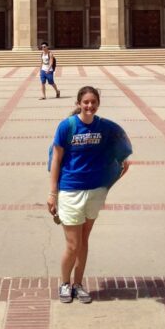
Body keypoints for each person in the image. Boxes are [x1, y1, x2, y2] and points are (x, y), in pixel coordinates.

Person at [47, 85, 132, 304]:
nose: (89, 106)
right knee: (73, 245)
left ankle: (78, 284)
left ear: (97, 104)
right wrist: (52, 193)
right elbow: (56, 159)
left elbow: (115, 149)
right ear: (78, 103)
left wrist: (119, 165)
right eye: (85, 102)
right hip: (70, 189)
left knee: (84, 241)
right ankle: (65, 283)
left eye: (93, 102)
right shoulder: (66, 127)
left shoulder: (103, 127)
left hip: (94, 190)